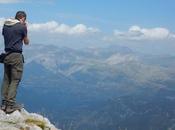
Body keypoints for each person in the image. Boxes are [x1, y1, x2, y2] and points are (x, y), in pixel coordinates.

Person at [1, 11, 29, 113]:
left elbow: (6, 36)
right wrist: (25, 29)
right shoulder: (22, 27)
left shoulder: (5, 26)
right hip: (16, 56)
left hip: (6, 55)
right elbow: (26, 42)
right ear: (22, 18)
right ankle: (10, 105)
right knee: (15, 80)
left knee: (6, 79)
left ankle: (3, 104)